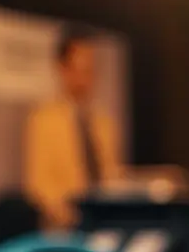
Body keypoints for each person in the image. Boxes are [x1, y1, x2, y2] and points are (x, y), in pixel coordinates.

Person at [23, 24, 123, 230]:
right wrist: (71, 216)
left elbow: (111, 174)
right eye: (79, 69)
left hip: (104, 224)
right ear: (63, 69)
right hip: (64, 229)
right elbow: (38, 184)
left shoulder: (102, 122)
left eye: (90, 70)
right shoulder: (44, 119)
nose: (85, 78)